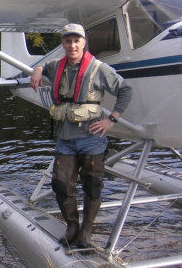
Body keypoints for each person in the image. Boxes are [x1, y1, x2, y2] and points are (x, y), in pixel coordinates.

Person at [30, 23, 132, 249]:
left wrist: (111, 119)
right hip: (65, 138)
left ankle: (86, 233)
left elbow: (125, 90)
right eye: (68, 41)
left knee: (92, 186)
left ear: (84, 43)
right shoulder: (57, 66)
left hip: (92, 139)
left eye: (77, 40)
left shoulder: (99, 68)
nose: (72, 45)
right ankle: (72, 226)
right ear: (63, 44)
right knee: (60, 184)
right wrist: (37, 69)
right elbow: (44, 67)